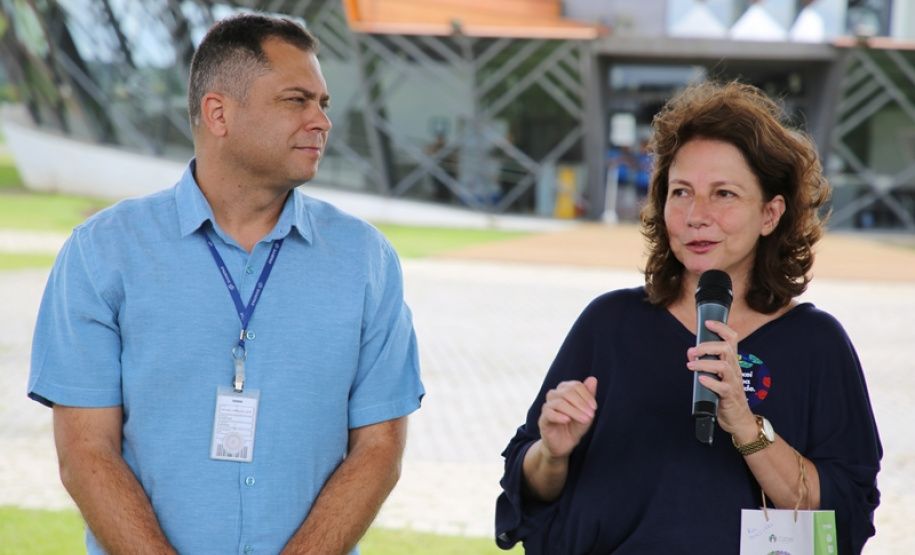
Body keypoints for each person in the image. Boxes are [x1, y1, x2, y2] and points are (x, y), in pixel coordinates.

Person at [28, 13, 424, 555]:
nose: (322, 121)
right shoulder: (101, 253)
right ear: (218, 113)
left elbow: (380, 449)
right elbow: (85, 450)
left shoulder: (366, 260)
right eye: (296, 100)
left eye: (323, 104)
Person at [495, 81, 881, 554]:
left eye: (723, 194)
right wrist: (552, 454)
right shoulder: (610, 323)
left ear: (770, 213)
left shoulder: (817, 344)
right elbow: (527, 485)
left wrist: (746, 426)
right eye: (681, 192)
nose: (697, 215)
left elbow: (844, 513)